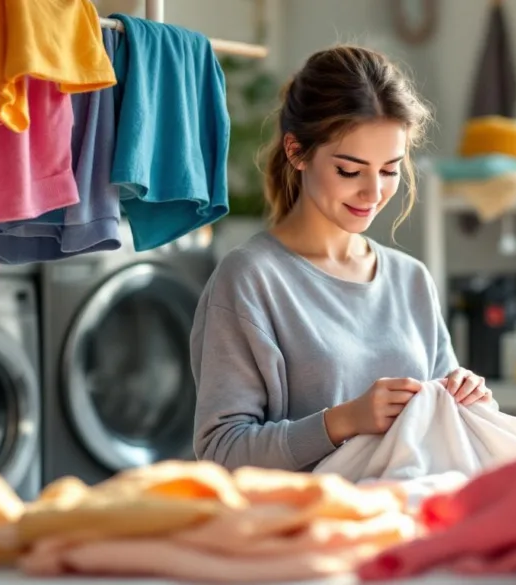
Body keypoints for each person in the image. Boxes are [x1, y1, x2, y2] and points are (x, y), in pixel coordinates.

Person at [189, 45, 493, 473]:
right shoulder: (250, 279)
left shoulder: (411, 279)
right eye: (350, 171)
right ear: (297, 152)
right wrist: (343, 421)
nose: (373, 194)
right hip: (306, 525)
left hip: (408, 516)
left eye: (389, 170)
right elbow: (223, 451)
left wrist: (467, 396)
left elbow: (444, 429)